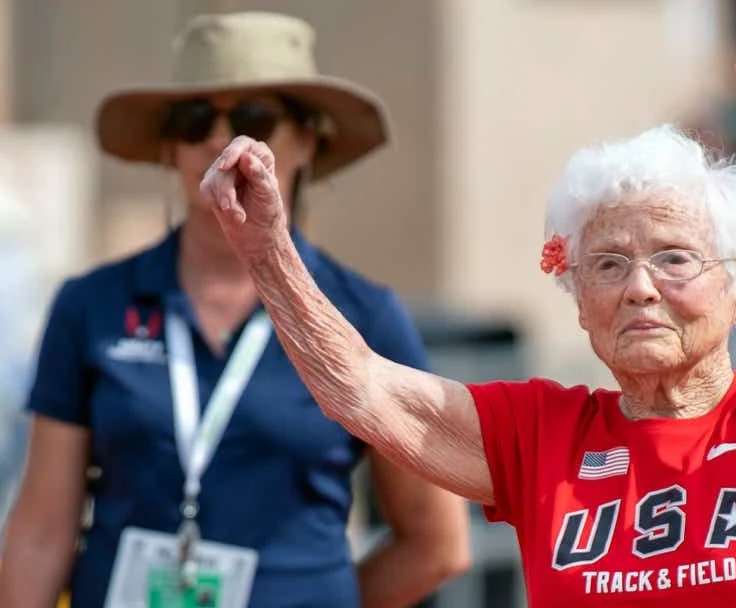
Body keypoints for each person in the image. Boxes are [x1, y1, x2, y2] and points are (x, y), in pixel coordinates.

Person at [200, 49, 736, 606]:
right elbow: (361, 389)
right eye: (606, 266)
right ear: (577, 301)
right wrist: (267, 250)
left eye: (674, 259)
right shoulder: (542, 436)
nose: (639, 288)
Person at [0, 11, 470, 608]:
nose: (221, 140)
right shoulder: (90, 305)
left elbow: (437, 543)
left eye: (254, 118)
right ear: (170, 145)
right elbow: (41, 531)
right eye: (195, 119)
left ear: (308, 141)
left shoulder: (365, 317)